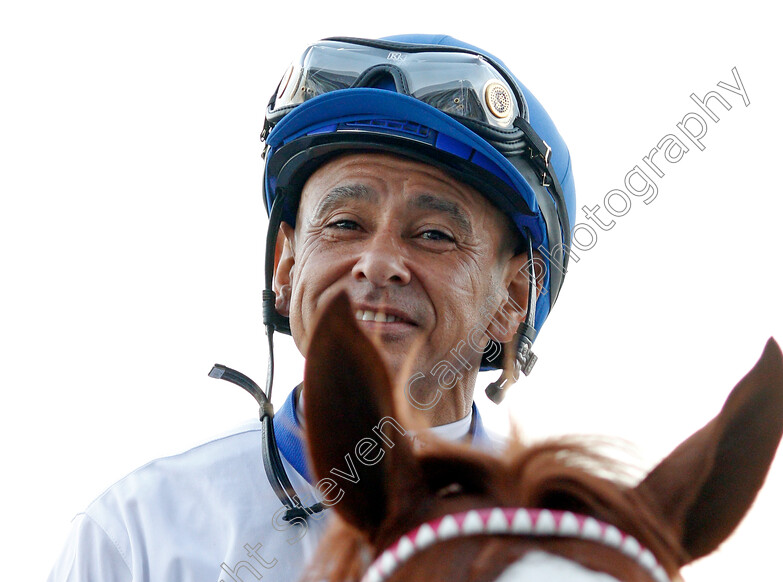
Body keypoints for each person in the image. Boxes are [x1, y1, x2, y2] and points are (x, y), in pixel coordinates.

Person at [48, 34, 576, 582]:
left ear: (514, 298)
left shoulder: (571, 554)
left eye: (434, 234)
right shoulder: (139, 538)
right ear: (285, 266)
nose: (377, 263)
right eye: (345, 224)